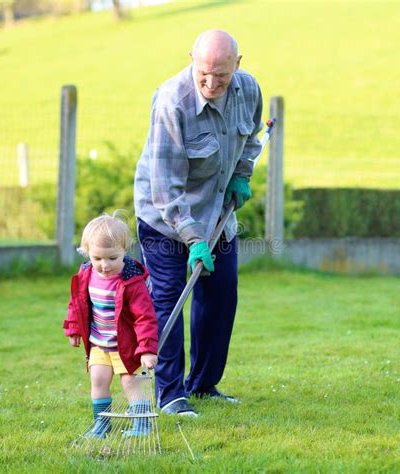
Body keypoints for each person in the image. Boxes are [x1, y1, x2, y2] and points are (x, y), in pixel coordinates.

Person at [134, 30, 263, 416]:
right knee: (169, 297)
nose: (211, 83)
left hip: (217, 215)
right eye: (204, 73)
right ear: (192, 58)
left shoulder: (249, 90)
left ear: (237, 66)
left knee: (221, 294)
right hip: (164, 218)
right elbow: (165, 187)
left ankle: (204, 385)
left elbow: (252, 138)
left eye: (221, 76)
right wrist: (193, 239)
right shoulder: (173, 101)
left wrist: (242, 173)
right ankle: (171, 393)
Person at [63, 212, 158, 437]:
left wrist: (146, 349)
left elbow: (145, 317)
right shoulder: (86, 273)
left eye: (112, 258)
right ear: (87, 253)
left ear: (125, 250)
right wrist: (74, 328)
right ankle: (102, 425)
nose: (104, 265)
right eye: (97, 258)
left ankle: (142, 424)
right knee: (98, 380)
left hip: (126, 344)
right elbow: (77, 303)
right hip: (99, 343)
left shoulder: (131, 281)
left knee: (131, 383)